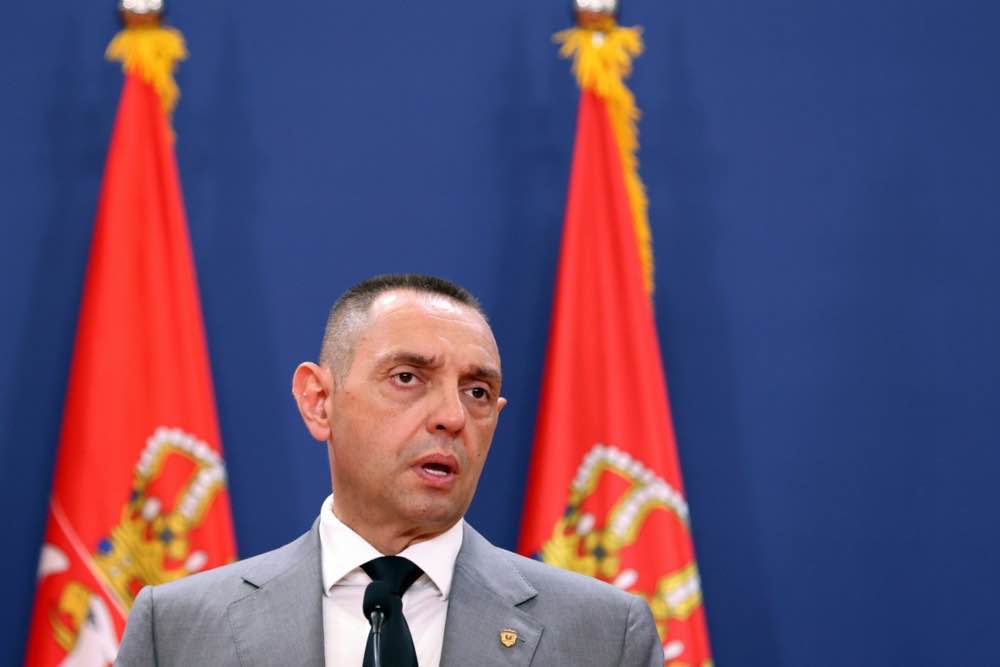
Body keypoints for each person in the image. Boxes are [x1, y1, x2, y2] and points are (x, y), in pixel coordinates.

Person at [116, 274, 664, 666]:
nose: (453, 416)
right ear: (319, 401)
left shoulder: (605, 637)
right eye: (407, 378)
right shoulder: (179, 629)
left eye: (477, 392)